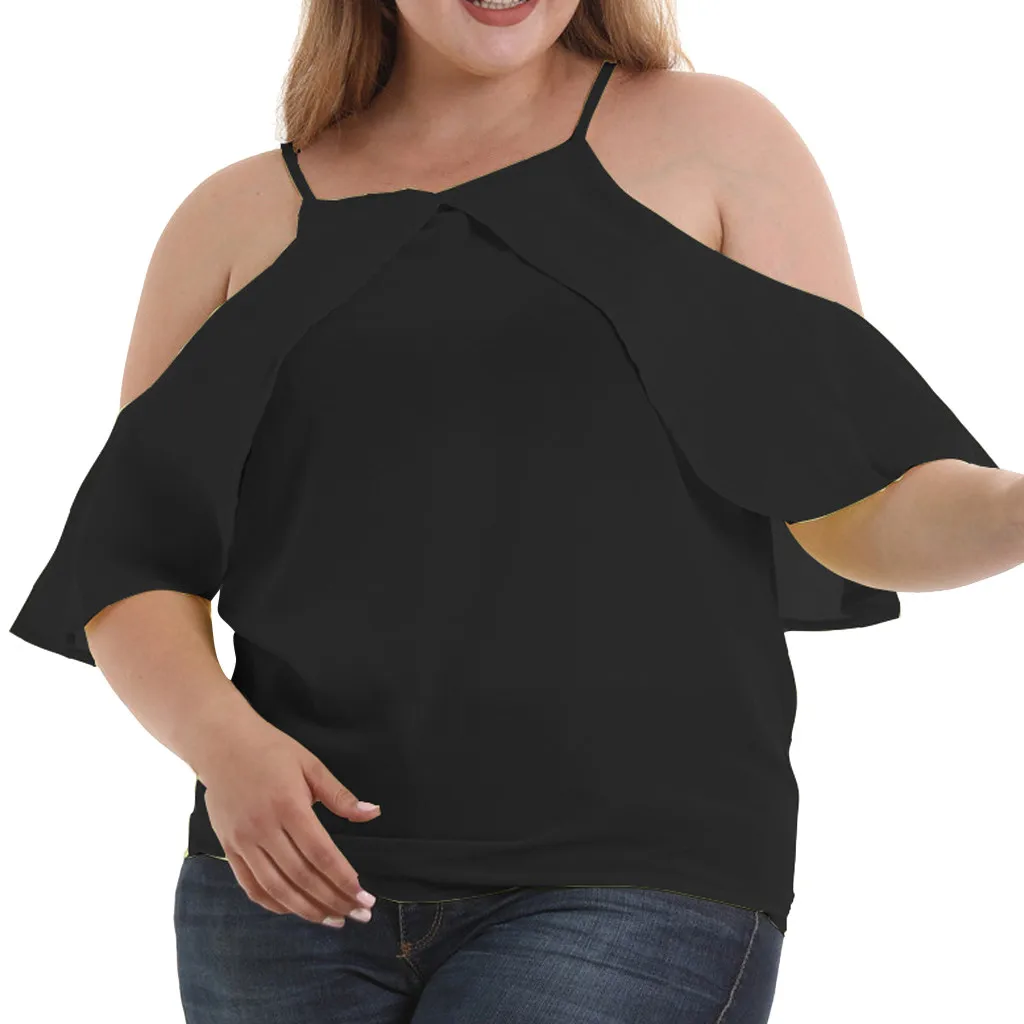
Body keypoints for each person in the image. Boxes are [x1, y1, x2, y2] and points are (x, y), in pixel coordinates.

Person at [9, 1, 1021, 1022]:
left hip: (632, 877)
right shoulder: (230, 219)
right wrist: (224, 748)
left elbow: (858, 497)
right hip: (285, 892)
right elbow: (134, 561)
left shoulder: (715, 141)